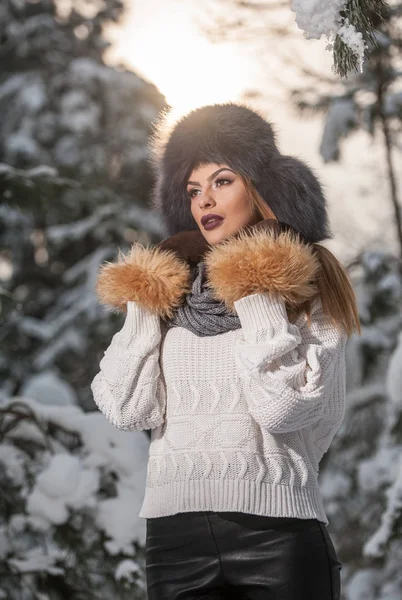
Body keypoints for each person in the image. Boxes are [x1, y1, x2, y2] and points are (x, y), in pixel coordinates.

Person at [91, 103, 361, 600]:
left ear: (263, 189)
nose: (204, 200)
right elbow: (126, 408)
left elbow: (282, 409)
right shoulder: (176, 290)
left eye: (222, 180)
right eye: (192, 189)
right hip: (174, 540)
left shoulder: (308, 285)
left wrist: (256, 286)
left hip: (279, 536)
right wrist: (148, 301)